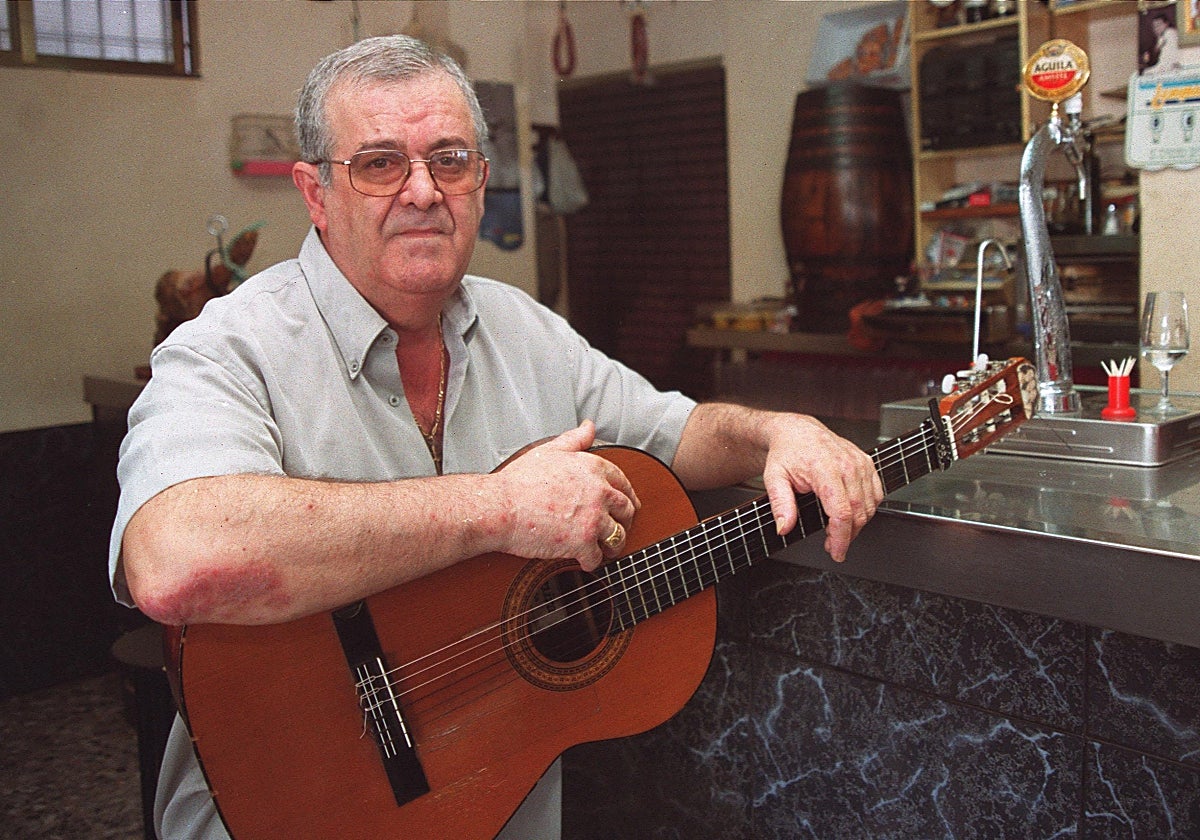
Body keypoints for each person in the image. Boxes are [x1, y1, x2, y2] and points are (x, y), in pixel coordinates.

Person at [109, 34, 882, 840]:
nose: (422, 191)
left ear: (480, 179)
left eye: (449, 160)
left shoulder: (524, 330)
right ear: (314, 192)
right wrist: (498, 509)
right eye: (379, 163)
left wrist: (777, 431)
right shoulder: (229, 347)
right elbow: (174, 561)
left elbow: (679, 431)